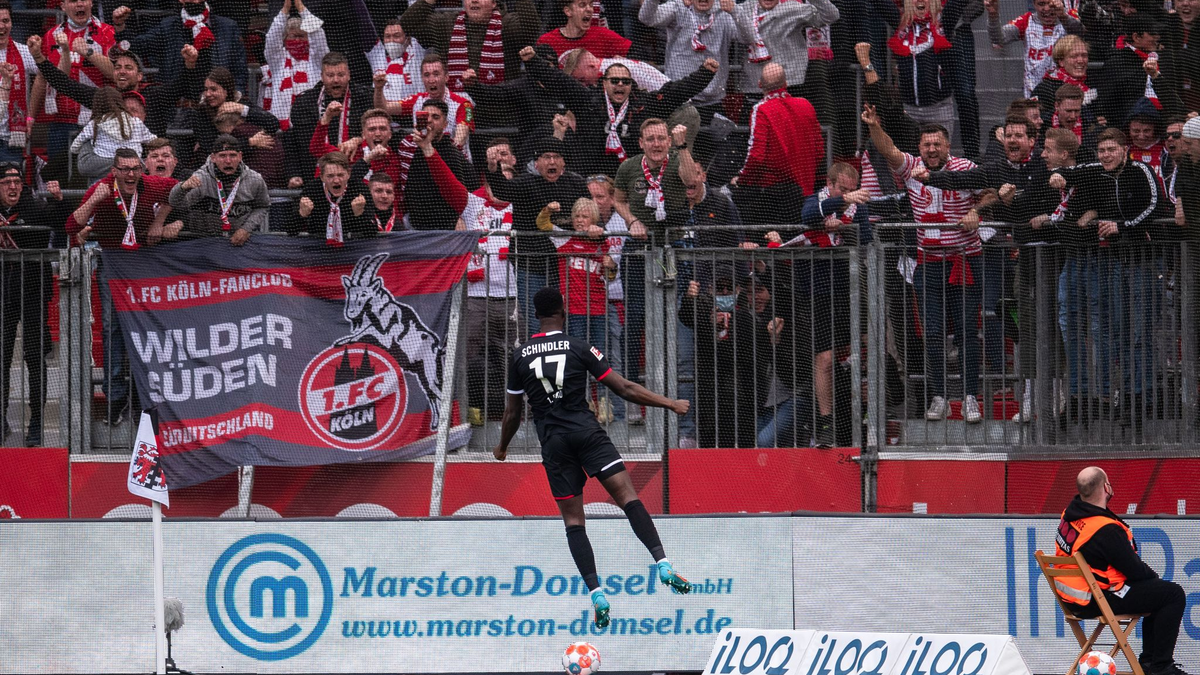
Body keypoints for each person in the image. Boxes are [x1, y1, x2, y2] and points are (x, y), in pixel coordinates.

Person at [493, 286, 692, 629]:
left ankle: (597, 593)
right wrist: (670, 404)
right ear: (563, 310)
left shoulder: (520, 355)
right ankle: (662, 564)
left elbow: (512, 413)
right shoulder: (578, 346)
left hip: (554, 444)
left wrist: (502, 447)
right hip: (587, 434)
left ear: (536, 315)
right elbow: (624, 388)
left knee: (573, 522)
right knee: (628, 497)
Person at [862, 102, 992, 424]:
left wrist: (978, 210)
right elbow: (889, 150)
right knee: (931, 333)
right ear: (919, 147)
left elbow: (992, 193)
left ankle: (971, 397)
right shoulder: (910, 169)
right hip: (929, 262)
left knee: (965, 332)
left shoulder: (964, 168)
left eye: (937, 143)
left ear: (948, 146)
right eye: (926, 144)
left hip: (964, 261)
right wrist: (873, 125)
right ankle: (939, 397)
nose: (932, 149)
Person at [1050, 127, 1163, 434]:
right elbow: (1070, 170)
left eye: (1111, 150)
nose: (1105, 156)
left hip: (1143, 264)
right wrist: (1058, 176)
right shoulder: (1096, 170)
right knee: (1120, 336)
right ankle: (1125, 399)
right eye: (1101, 151)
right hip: (1114, 265)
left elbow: (1154, 207)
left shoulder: (1142, 170)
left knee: (1139, 336)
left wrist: (1121, 226)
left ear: (1124, 150)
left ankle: (1140, 400)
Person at [70, 149, 179, 424]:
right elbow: (71, 225)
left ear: (141, 169)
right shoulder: (102, 187)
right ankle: (115, 399)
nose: (130, 174)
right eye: (124, 169)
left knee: (149, 329)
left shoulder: (151, 184)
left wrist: (162, 220)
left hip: (145, 265)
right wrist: (95, 200)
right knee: (112, 328)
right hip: (113, 264)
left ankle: (150, 400)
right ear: (114, 171)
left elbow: (179, 192)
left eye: (135, 169)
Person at [1053, 466, 1190, 675]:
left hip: (1072, 600)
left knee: (1158, 593)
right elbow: (1135, 570)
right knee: (1172, 594)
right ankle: (1160, 667)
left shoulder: (1070, 515)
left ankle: (1149, 663)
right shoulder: (1105, 530)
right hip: (1096, 599)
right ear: (1106, 487)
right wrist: (1153, 579)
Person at [520, 45, 716, 177]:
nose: (620, 84)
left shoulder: (643, 105)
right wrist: (533, 61)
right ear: (604, 83)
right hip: (589, 173)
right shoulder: (588, 100)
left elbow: (676, 92)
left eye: (626, 81)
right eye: (614, 81)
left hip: (631, 176)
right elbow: (558, 81)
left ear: (632, 85)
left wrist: (705, 73)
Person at [798, 162, 872, 446]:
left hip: (852, 288)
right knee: (825, 358)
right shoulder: (815, 202)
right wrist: (837, 205)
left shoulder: (858, 207)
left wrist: (845, 226)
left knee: (867, 347)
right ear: (829, 184)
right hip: (818, 291)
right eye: (843, 189)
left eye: (852, 190)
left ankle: (870, 411)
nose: (850, 195)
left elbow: (865, 239)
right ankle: (826, 422)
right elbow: (807, 216)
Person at [490, 136, 590, 336]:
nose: (552, 162)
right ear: (537, 163)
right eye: (546, 157)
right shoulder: (526, 182)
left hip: (566, 267)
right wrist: (493, 169)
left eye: (556, 157)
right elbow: (501, 190)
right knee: (537, 320)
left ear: (563, 162)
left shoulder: (576, 183)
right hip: (531, 265)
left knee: (567, 321)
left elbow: (590, 212)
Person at [0, 163, 67, 447]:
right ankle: (1, 418)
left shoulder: (34, 207)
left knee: (34, 359)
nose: (12, 187)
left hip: (32, 293)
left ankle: (37, 422)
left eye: (16, 181)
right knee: (1, 360)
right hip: (3, 296)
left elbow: (59, 225)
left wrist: (60, 201)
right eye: (5, 182)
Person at [733, 62, 824, 225]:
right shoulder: (806, 105)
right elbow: (819, 151)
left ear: (760, 84)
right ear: (786, 83)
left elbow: (756, 155)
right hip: (806, 192)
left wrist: (742, 180)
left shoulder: (761, 109)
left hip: (773, 196)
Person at [28, 0, 116, 162]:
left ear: (91, 3)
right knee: (59, 180)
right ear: (62, 6)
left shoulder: (108, 32)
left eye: (84, 0)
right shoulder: (50, 36)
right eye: (73, 1)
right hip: (60, 122)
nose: (79, 4)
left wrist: (88, 53)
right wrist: (30, 118)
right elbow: (44, 79)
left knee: (94, 176)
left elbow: (116, 74)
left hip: (98, 121)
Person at [110, 0, 247, 96]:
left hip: (218, 106)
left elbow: (240, 69)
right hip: (180, 108)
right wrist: (120, 25)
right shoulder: (167, 27)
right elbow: (137, 46)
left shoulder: (228, 27)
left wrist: (235, 97)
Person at [400, 0, 542, 92]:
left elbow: (531, 28)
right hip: (455, 110)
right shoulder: (446, 23)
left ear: (494, 3)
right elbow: (407, 24)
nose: (474, 1)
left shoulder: (507, 23)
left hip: (500, 109)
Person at [637, 0, 737, 121]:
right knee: (678, 138)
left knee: (714, 139)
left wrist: (735, 11)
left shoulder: (724, 12)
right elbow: (646, 18)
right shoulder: (678, 7)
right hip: (679, 98)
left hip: (712, 100)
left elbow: (749, 38)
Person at [285, 52, 374, 186]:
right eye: (330, 75)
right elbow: (297, 141)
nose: (336, 80)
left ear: (349, 74)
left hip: (357, 172)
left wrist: (359, 139)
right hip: (315, 175)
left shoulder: (365, 97)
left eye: (340, 75)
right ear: (322, 77)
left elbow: (380, 129)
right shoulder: (304, 102)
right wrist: (294, 173)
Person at [731, 0, 839, 110]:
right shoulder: (742, 9)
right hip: (755, 85)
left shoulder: (792, 8)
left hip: (790, 84)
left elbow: (831, 15)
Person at [169, 134, 270, 244]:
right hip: (202, 241)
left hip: (237, 242)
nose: (228, 161)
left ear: (240, 156)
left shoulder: (255, 179)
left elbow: (262, 206)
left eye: (233, 155)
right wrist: (182, 187)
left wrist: (246, 229)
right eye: (222, 156)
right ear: (213, 158)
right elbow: (176, 203)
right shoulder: (200, 178)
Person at [374, 53, 475, 154]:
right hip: (425, 161)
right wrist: (378, 88)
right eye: (427, 75)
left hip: (455, 161)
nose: (431, 80)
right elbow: (384, 108)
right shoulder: (417, 100)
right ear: (422, 78)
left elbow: (459, 140)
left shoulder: (463, 104)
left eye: (436, 74)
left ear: (446, 77)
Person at [985, 0, 1081, 98]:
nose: (1047, 9)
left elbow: (1080, 33)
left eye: (1050, 4)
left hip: (1066, 92)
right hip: (1034, 94)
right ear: (1034, 4)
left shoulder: (1069, 17)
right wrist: (993, 15)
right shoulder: (1027, 21)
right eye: (1041, 4)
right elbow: (998, 39)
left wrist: (1063, 16)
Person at [261, 0, 328, 131]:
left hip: (311, 124)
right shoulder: (278, 60)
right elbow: (271, 40)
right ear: (285, 38)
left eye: (302, 36)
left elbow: (319, 37)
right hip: (282, 127)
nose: (297, 40)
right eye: (293, 36)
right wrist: (285, 9)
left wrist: (301, 8)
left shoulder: (316, 60)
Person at [70, 86, 158, 183]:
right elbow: (153, 140)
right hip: (132, 172)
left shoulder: (95, 124)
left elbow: (75, 146)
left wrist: (79, 149)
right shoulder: (136, 122)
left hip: (102, 178)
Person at [287, 151, 374, 244]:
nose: (336, 180)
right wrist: (301, 214)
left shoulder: (359, 189)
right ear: (322, 177)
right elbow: (290, 231)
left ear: (348, 174)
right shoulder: (312, 189)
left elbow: (371, 232)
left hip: (352, 247)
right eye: (330, 176)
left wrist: (360, 215)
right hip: (318, 247)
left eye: (340, 175)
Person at [0, 3, 35, 165]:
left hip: (10, 140)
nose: (2, 26)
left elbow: (50, 74)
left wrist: (30, 116)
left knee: (12, 186)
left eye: (5, 21)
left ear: (12, 23)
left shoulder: (24, 52)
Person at [538, 0, 631, 58]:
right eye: (582, 5)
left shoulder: (604, 35)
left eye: (591, 5)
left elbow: (636, 54)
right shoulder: (547, 40)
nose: (590, 9)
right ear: (568, 11)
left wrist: (623, 63)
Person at [366, 18, 426, 104]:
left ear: (407, 39)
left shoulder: (416, 56)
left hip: (411, 113)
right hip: (384, 114)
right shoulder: (378, 59)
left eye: (396, 36)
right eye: (387, 36)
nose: (391, 40)